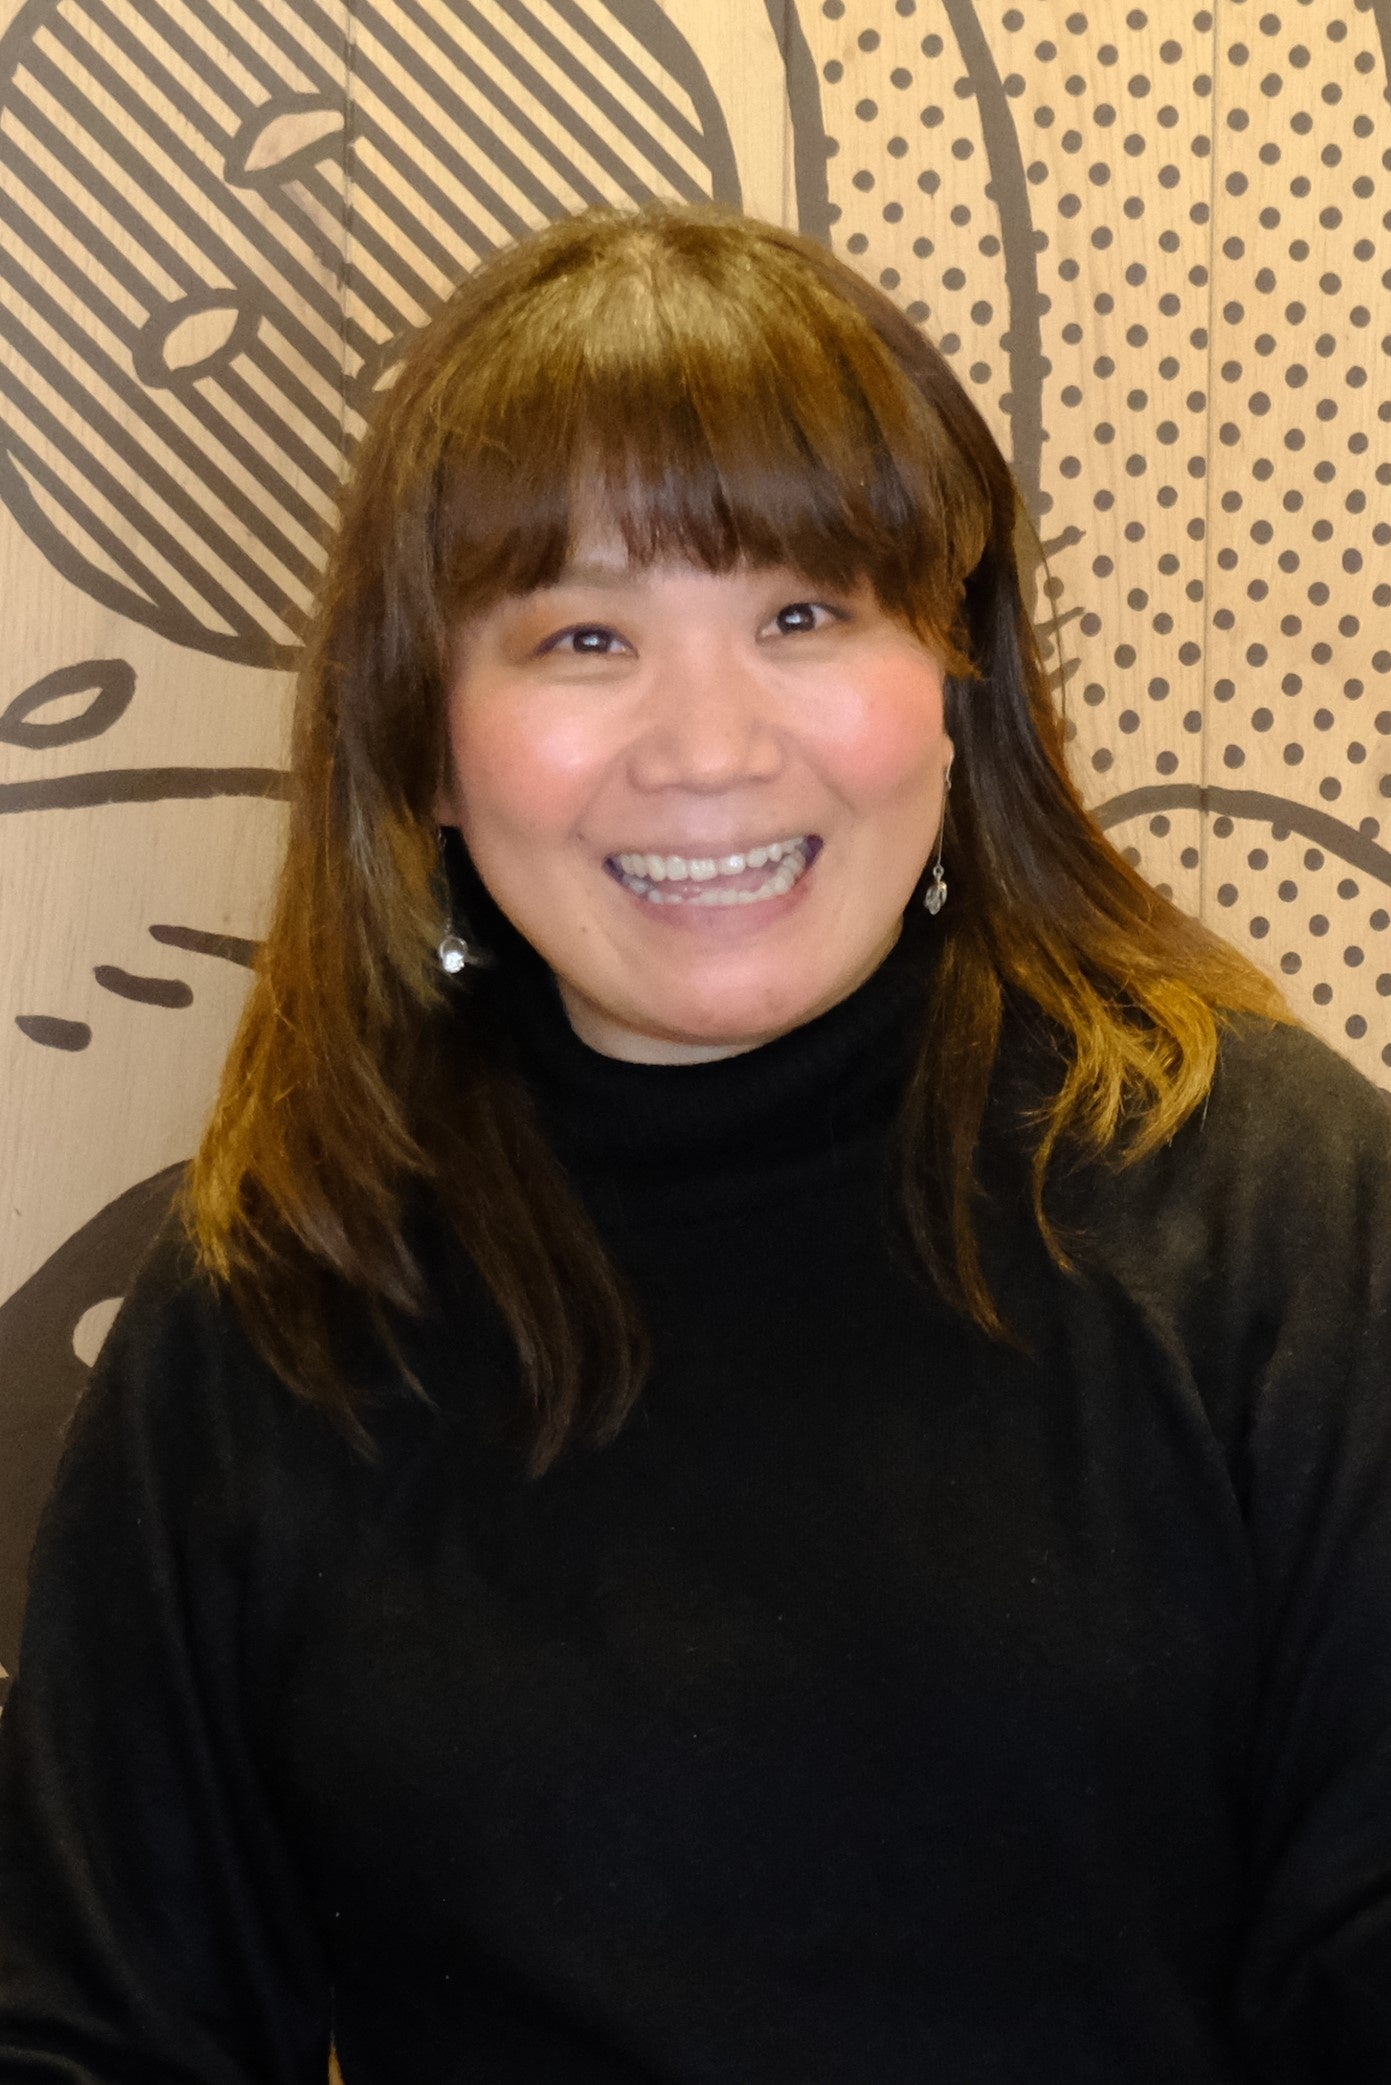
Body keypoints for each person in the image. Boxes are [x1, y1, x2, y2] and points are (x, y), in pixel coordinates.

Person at [0, 200, 1388, 2085]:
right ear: (425, 739)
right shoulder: (291, 1280)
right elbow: (92, 2029)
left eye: (803, 614)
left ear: (958, 673)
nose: (709, 747)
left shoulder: (1278, 1209)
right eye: (583, 635)